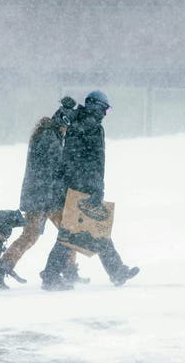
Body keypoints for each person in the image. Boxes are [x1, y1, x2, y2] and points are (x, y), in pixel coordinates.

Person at [40, 90, 140, 291]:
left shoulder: (79, 120)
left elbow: (61, 122)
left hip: (74, 184)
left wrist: (65, 110)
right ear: (96, 106)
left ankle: (117, 271)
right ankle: (50, 275)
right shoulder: (90, 126)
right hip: (82, 187)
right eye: (105, 108)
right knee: (72, 234)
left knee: (95, 230)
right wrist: (96, 189)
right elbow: (92, 162)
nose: (105, 113)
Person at [0, 97, 87, 289]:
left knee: (62, 232)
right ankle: (0, 269)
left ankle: (69, 270)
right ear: (63, 123)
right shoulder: (50, 137)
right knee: (48, 234)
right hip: (43, 197)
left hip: (45, 196)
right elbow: (55, 167)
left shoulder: (49, 134)